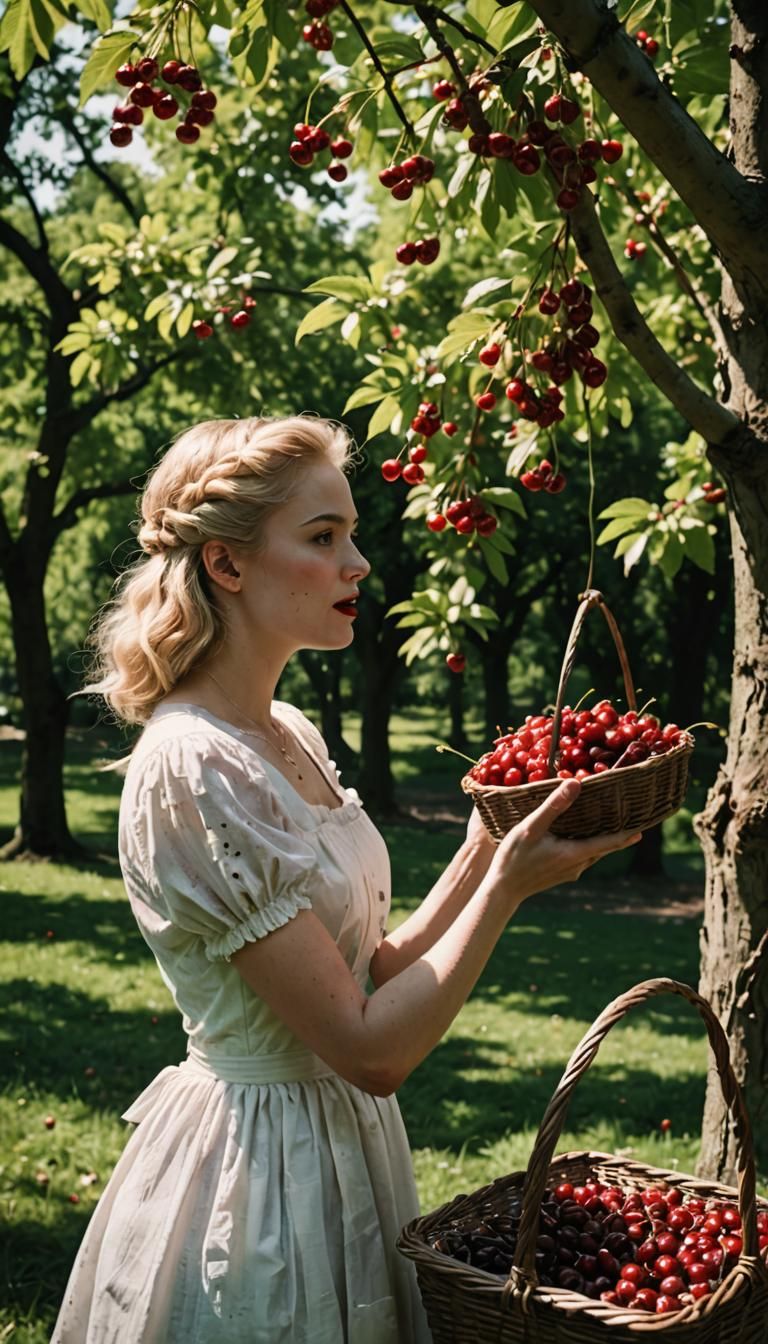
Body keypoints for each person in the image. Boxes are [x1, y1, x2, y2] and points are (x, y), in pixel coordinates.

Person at [52, 414, 641, 1344]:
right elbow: (371, 1052)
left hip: (344, 1146)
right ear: (227, 564)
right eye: (324, 537)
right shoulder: (194, 767)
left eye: (351, 534)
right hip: (258, 1173)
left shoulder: (288, 732)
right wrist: (505, 889)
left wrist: (487, 844)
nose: (358, 564)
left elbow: (374, 969)